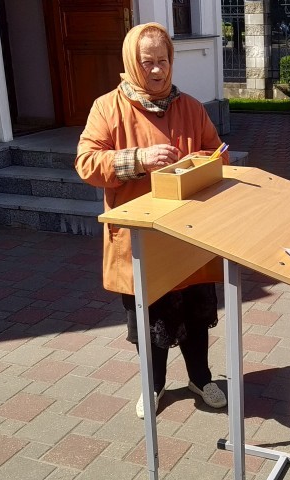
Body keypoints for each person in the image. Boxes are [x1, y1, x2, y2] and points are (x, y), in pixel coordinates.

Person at [75, 22, 228, 419]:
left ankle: (200, 377)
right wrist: (137, 160)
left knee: (197, 313)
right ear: (131, 62)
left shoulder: (191, 106)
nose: (157, 71)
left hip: (190, 232)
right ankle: (154, 385)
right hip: (141, 237)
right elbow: (86, 163)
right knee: (150, 317)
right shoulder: (108, 107)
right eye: (147, 63)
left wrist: (208, 161)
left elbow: (215, 151)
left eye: (163, 61)